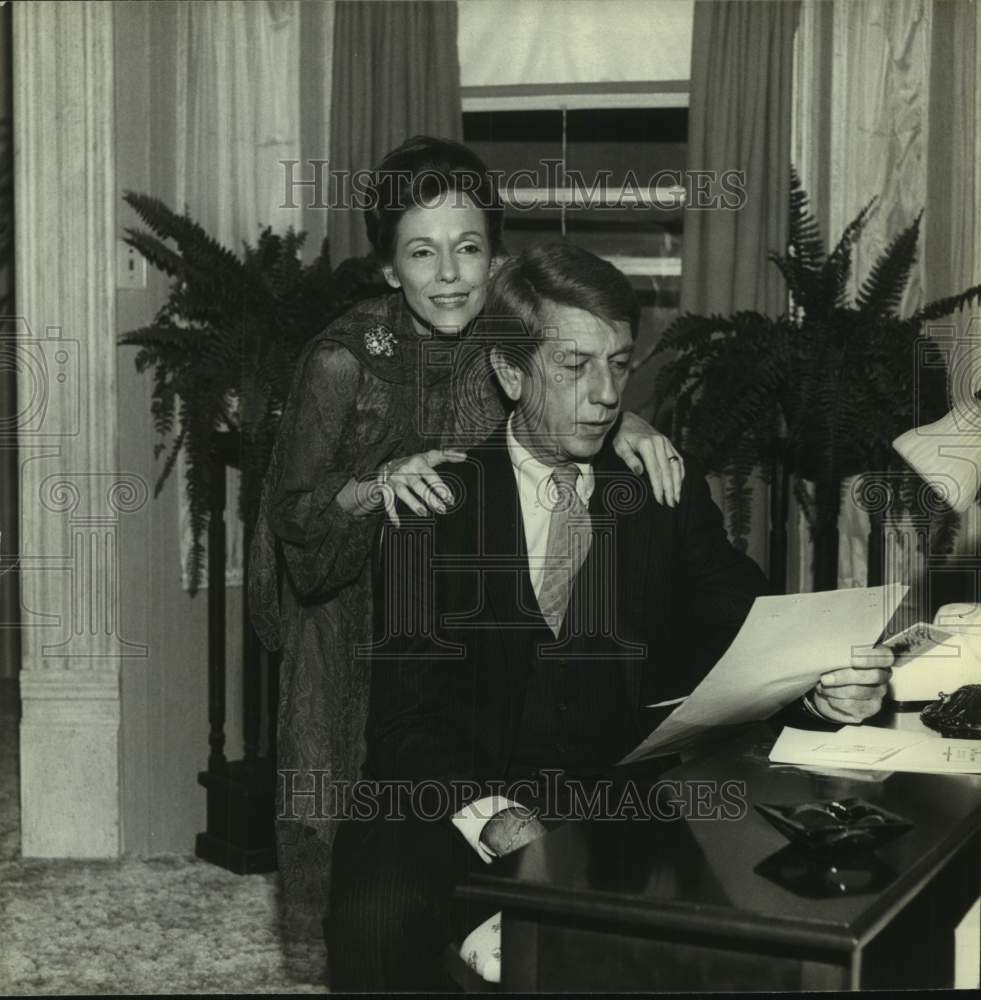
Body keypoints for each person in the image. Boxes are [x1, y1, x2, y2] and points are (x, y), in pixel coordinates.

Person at [326, 242, 895, 991]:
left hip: (615, 797)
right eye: (572, 366)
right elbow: (403, 729)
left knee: (753, 909)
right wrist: (497, 817)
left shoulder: (658, 490)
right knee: (377, 913)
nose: (603, 394)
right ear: (508, 372)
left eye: (619, 364)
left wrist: (824, 684)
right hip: (451, 792)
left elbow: (754, 625)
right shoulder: (435, 507)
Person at [247, 137, 687, 964]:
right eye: (421, 251)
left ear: (496, 254)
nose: (448, 273)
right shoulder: (344, 361)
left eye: (469, 247)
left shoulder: (509, 328)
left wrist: (623, 420)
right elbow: (296, 522)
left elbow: (568, 388)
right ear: (388, 268)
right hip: (350, 608)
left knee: (486, 775)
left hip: (458, 594)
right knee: (377, 834)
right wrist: (381, 482)